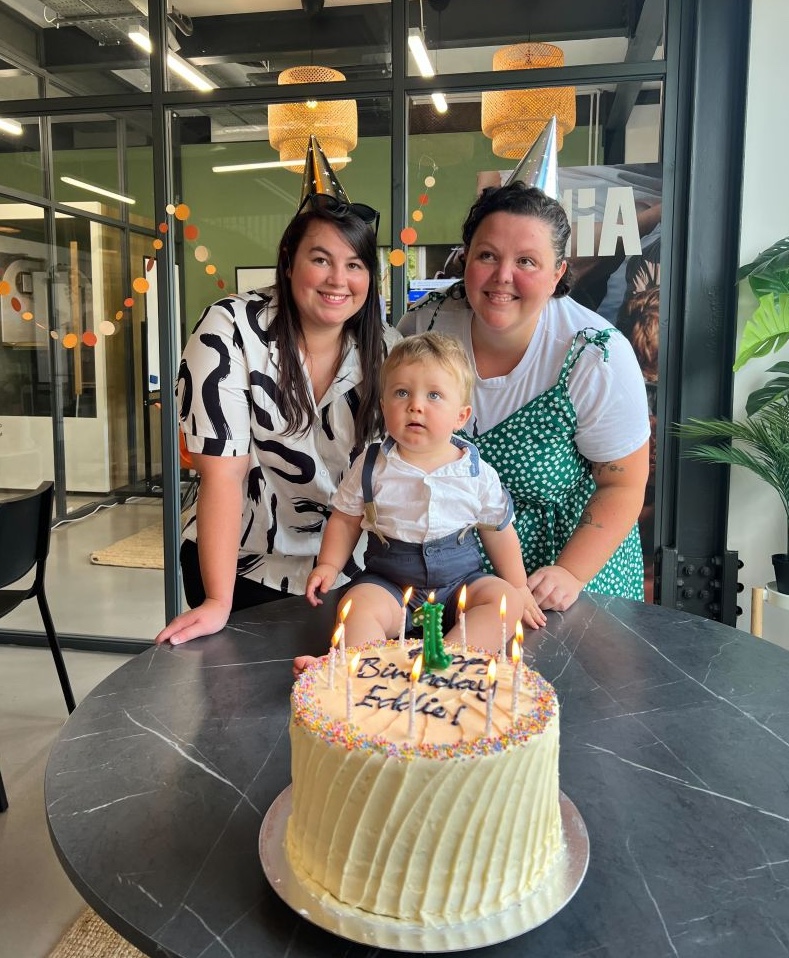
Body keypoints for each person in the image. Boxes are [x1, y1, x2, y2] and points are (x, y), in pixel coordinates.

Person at [155, 190, 400, 646]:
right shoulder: (229, 329)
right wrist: (217, 602)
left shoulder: (386, 348)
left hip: (350, 570)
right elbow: (222, 476)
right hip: (244, 565)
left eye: (355, 265)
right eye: (321, 259)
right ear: (288, 262)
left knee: (335, 706)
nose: (338, 280)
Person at [398, 183, 651, 612]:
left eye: (527, 262)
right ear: (466, 258)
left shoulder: (594, 354)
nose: (503, 276)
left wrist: (570, 573)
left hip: (565, 574)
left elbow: (624, 483)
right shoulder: (427, 324)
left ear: (557, 274)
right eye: (487, 255)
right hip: (455, 573)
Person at [294, 332, 545, 672]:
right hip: (390, 585)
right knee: (355, 606)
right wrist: (328, 565)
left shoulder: (475, 472)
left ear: (461, 415)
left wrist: (518, 585)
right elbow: (345, 519)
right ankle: (361, 665)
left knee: (505, 601)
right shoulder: (370, 466)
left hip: (460, 587)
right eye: (401, 393)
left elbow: (499, 531)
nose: (416, 405)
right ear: (384, 406)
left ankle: (449, 658)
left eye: (434, 395)